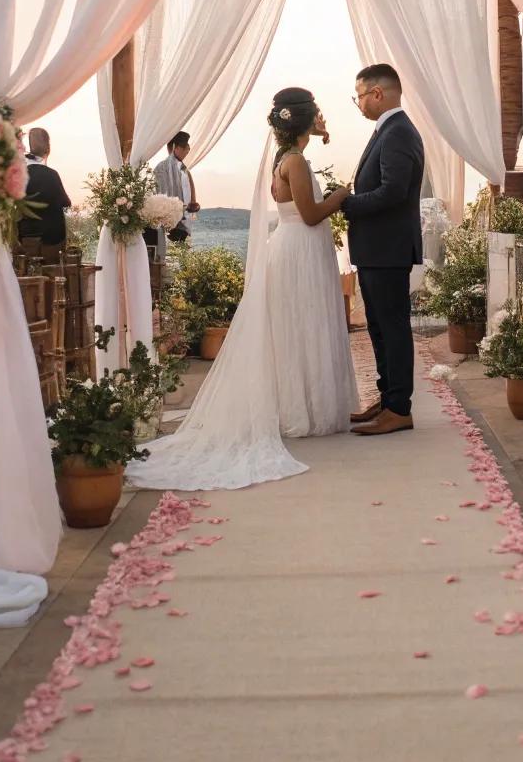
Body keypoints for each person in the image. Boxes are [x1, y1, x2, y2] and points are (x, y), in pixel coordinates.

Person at [127, 88, 355, 491]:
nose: (324, 118)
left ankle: (299, 405)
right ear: (305, 120)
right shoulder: (296, 162)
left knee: (297, 326)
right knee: (302, 325)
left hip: (295, 247)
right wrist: (341, 195)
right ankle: (300, 411)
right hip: (300, 248)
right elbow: (311, 213)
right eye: (318, 113)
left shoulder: (286, 158)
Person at [343, 64, 426, 437]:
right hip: (378, 248)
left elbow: (394, 191)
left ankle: (399, 408)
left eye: (359, 95)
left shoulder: (397, 132)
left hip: (388, 249)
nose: (358, 103)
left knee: (392, 328)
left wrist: (347, 203)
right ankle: (388, 398)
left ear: (377, 93)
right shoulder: (389, 130)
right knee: (378, 326)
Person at [19, 128, 71, 248]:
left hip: (25, 237)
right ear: (48, 148)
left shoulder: (19, 174)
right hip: (52, 239)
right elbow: (66, 202)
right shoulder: (52, 174)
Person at [150, 133, 200, 255]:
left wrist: (193, 205)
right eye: (184, 148)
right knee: (170, 252)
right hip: (167, 218)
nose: (187, 151)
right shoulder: (162, 168)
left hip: (183, 217)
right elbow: (159, 192)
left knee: (182, 251)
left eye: (187, 148)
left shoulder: (184, 169)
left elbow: (190, 189)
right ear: (174, 148)